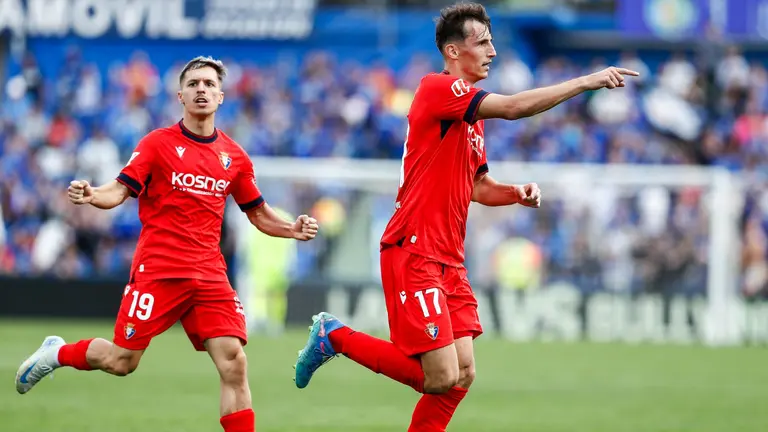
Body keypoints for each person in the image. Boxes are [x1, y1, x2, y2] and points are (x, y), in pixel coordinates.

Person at [293, 3, 638, 431]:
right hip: (414, 248)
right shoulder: (437, 89)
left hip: (448, 257)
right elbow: (514, 107)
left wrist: (516, 193)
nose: (493, 51)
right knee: (438, 376)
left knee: (461, 376)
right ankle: (334, 336)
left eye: (493, 41)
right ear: (454, 51)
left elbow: (478, 187)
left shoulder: (471, 121)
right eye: (483, 42)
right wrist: (587, 81)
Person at [15, 56, 320, 432]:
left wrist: (292, 228)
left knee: (234, 362)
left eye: (209, 84)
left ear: (222, 96)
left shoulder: (235, 158)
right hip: (159, 270)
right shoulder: (158, 144)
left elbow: (257, 212)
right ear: (181, 95)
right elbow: (119, 190)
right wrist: (92, 194)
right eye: (193, 84)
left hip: (209, 274)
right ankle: (57, 353)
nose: (202, 90)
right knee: (122, 361)